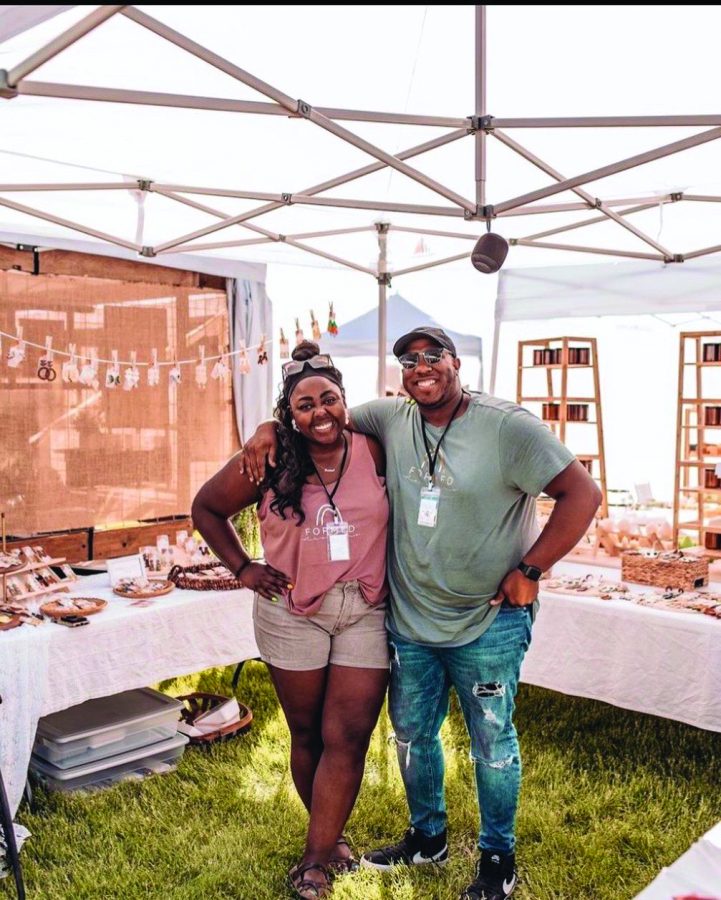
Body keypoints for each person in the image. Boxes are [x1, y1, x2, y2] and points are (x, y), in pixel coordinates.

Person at [240, 326, 602, 900]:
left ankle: (496, 856)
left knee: (492, 742)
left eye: (434, 356)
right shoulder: (391, 418)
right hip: (409, 620)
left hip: (489, 620)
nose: (421, 367)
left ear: (457, 363)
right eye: (409, 360)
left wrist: (530, 570)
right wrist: (268, 425)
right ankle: (427, 837)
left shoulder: (508, 427)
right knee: (412, 735)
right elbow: (315, 413)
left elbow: (583, 494)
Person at [191, 341, 390, 900]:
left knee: (347, 735)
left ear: (345, 400)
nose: (319, 412)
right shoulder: (270, 457)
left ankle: (315, 861)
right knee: (305, 733)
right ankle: (331, 841)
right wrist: (242, 566)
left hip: (366, 609)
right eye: (304, 405)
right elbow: (205, 507)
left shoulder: (375, 448)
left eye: (328, 398)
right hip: (292, 612)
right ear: (289, 415)